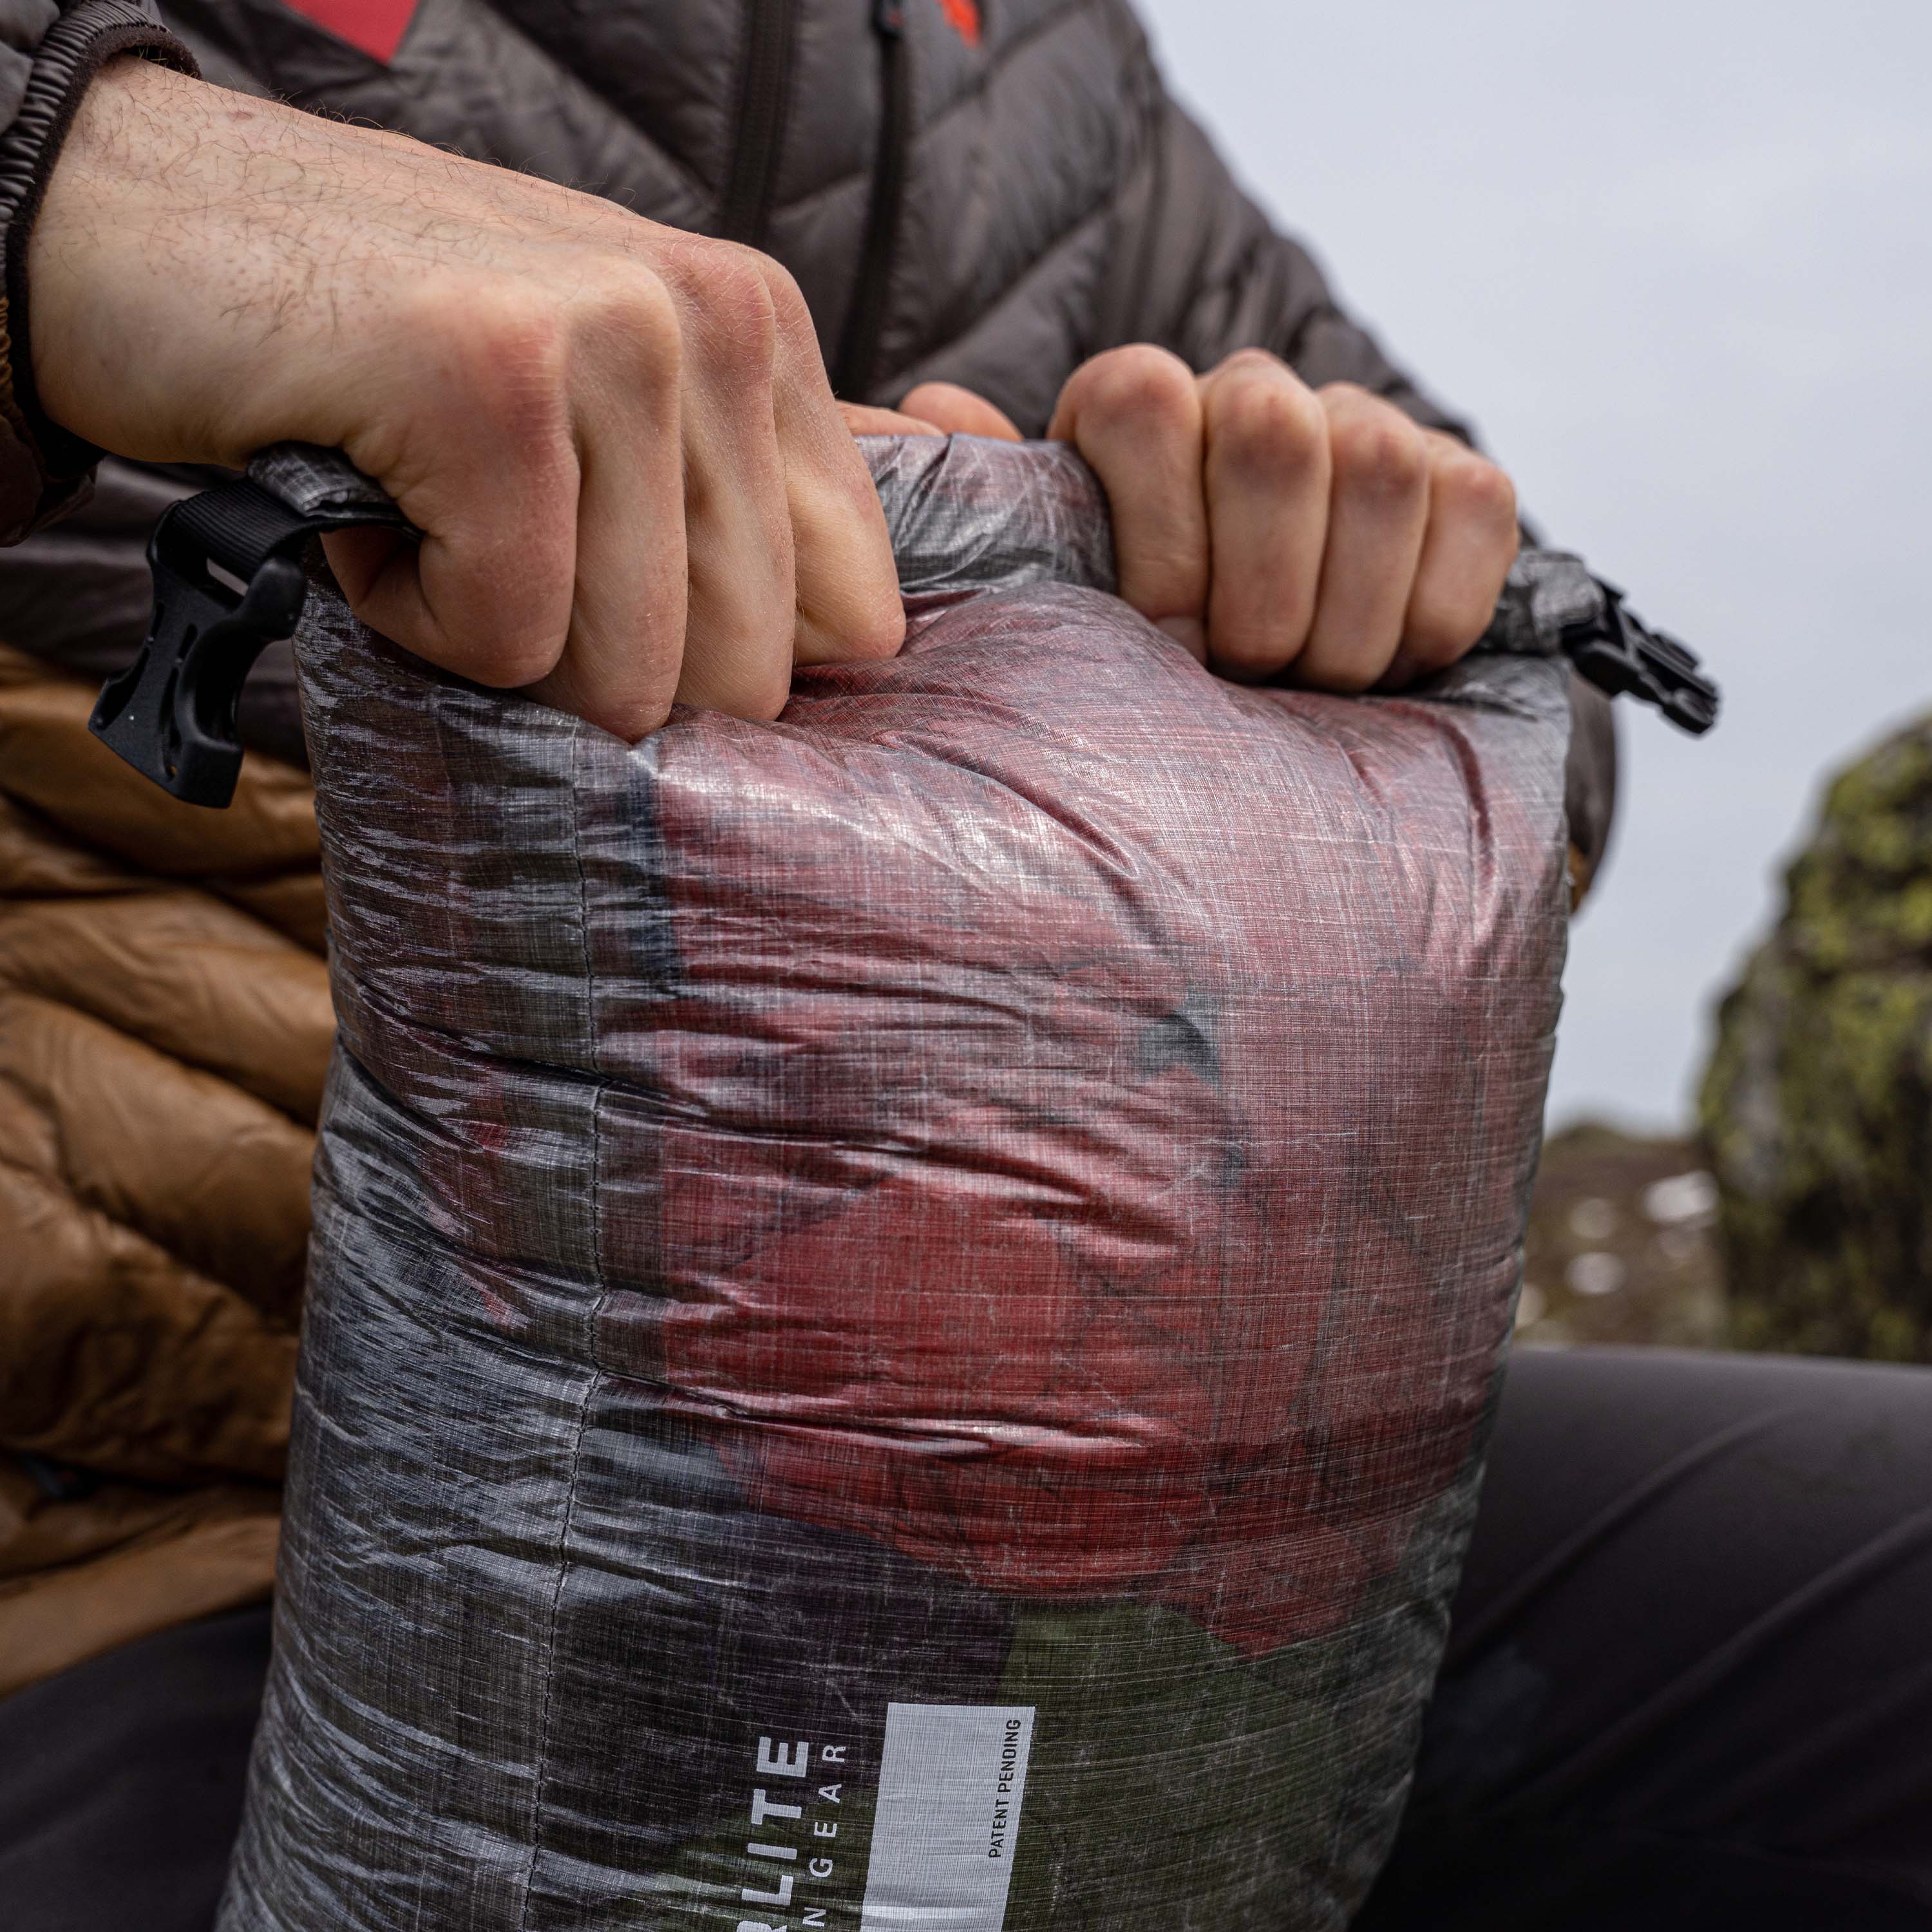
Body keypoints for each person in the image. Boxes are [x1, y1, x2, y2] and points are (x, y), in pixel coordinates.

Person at [0, 5, 1923, 1929]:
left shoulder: (1028, 61)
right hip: (113, 1553)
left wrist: (1353, 571)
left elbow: (1545, 688)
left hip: (1005, 1501)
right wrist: (67, 181)